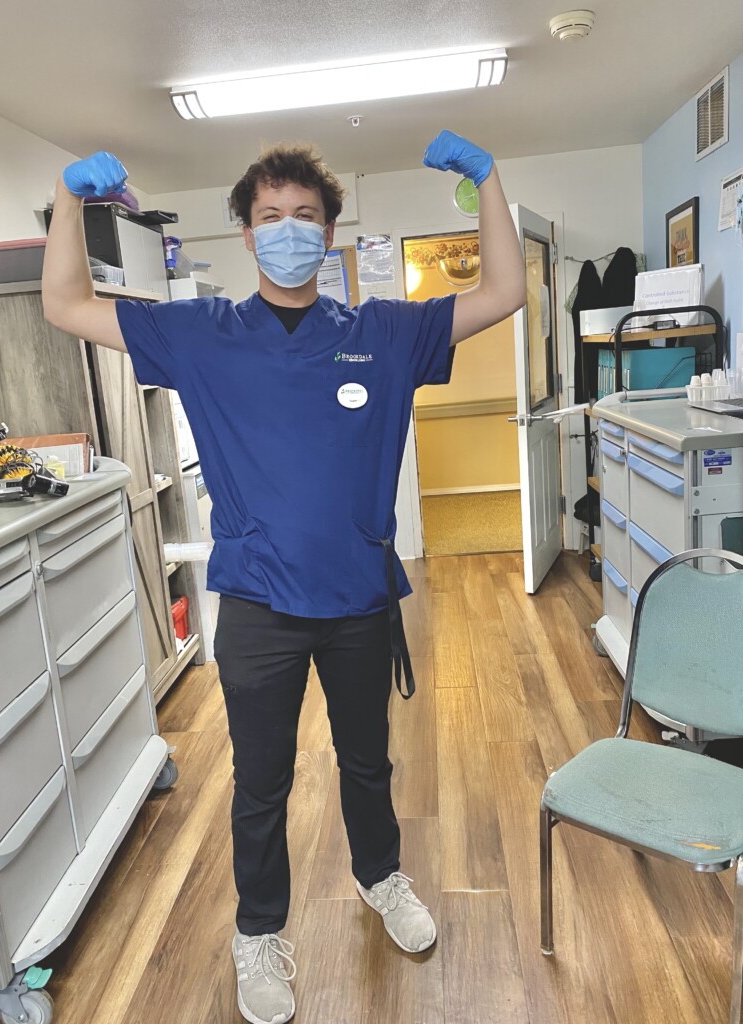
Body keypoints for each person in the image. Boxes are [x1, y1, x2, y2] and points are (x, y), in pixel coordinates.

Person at [42, 130, 525, 1024]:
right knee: (260, 781)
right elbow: (66, 303)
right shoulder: (199, 335)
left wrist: (489, 179)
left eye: (306, 216)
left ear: (331, 231)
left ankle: (381, 878)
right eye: (271, 217)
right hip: (260, 603)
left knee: (367, 762)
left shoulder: (382, 332)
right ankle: (258, 932)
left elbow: (505, 290)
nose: (289, 229)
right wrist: (69, 201)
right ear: (246, 232)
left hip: (356, 600)